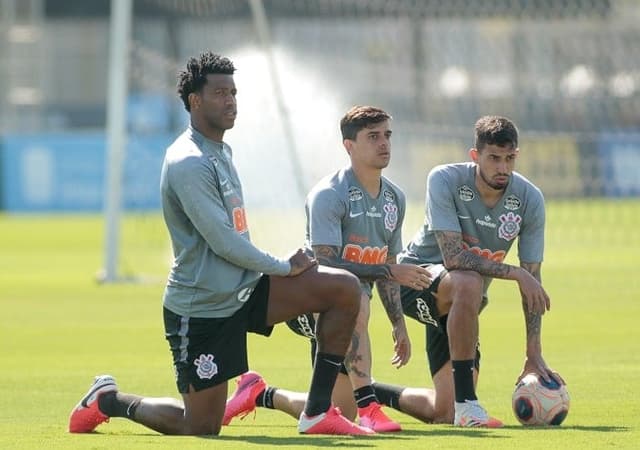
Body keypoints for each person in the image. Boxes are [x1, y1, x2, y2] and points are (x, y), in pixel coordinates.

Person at [67, 51, 374, 436]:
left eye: (233, 93)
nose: (230, 102)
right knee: (199, 426)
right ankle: (108, 400)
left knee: (343, 288)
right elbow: (223, 242)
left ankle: (316, 412)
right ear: (195, 101)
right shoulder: (188, 161)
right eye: (219, 93)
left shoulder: (221, 151)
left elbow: (236, 235)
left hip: (244, 288)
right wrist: (283, 266)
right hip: (203, 307)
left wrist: (280, 271)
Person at [221, 106, 432, 432]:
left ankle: (260, 394)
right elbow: (327, 262)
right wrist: (390, 272)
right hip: (311, 303)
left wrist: (398, 324)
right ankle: (370, 406)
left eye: (387, 135)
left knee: (331, 412)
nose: (384, 143)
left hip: (348, 315)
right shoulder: (329, 194)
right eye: (373, 137)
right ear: (349, 146)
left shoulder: (395, 199)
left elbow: (390, 264)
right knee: (353, 294)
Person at [367, 115, 565, 427]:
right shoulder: (444, 179)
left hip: (461, 305)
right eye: (494, 159)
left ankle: (365, 391)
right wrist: (515, 272)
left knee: (442, 414)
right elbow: (454, 257)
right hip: (416, 281)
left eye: (509, 159)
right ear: (475, 157)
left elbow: (532, 281)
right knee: (468, 280)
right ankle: (468, 404)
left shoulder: (528, 199)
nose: (502, 168)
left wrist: (533, 353)